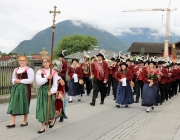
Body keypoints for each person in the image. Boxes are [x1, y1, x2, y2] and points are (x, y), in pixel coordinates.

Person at [6, 55, 34, 128]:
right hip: (16, 88)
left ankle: (25, 120)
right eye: (20, 60)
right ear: (18, 61)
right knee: (14, 103)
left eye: (23, 60)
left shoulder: (29, 69)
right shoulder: (16, 69)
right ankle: (12, 121)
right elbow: (13, 79)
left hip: (25, 88)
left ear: (26, 61)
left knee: (25, 103)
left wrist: (20, 81)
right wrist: (15, 81)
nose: (21, 62)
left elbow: (30, 80)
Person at [36, 56, 59, 134]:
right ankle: (42, 127)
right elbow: (38, 82)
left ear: (49, 63)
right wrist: (46, 78)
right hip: (42, 91)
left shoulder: (54, 72)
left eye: (46, 61)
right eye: (43, 62)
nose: (45, 63)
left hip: (49, 91)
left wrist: (52, 91)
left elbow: (55, 84)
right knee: (42, 108)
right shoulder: (40, 72)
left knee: (49, 107)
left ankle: (52, 119)